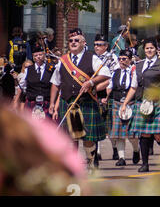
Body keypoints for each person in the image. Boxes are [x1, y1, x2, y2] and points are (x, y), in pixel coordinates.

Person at [49, 28, 111, 173]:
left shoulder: (92, 58)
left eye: (77, 40)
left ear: (84, 43)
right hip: (69, 103)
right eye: (70, 41)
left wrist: (90, 83)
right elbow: (55, 83)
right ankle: (72, 166)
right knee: (72, 137)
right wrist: (52, 103)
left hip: (86, 102)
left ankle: (90, 163)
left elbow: (105, 74)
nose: (73, 42)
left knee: (87, 138)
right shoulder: (63, 61)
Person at [120, 37, 160, 172]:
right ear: (144, 50)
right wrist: (125, 103)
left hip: (159, 102)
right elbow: (133, 87)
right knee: (144, 134)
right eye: (147, 48)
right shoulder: (138, 65)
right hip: (142, 102)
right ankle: (145, 164)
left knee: (158, 134)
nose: (149, 50)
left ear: (156, 49)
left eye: (152, 48)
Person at [102, 49, 140, 166]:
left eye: (124, 59)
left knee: (132, 135)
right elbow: (110, 86)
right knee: (118, 134)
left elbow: (135, 87)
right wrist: (106, 97)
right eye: (120, 59)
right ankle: (121, 158)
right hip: (117, 103)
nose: (121, 61)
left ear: (130, 60)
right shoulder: (115, 72)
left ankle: (136, 150)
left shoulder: (134, 71)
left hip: (131, 104)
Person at [92, 34, 120, 161]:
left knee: (110, 125)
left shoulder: (112, 58)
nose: (97, 47)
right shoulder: (92, 58)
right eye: (95, 44)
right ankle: (97, 151)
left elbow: (115, 76)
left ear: (106, 46)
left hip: (109, 93)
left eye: (100, 44)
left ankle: (115, 149)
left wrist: (108, 94)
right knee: (97, 125)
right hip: (94, 93)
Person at [14, 45, 55, 119]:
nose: (38, 57)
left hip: (46, 103)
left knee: (46, 127)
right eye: (36, 55)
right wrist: (15, 102)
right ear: (33, 57)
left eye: (40, 54)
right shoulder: (28, 70)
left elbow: (55, 87)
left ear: (44, 55)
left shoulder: (51, 69)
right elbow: (21, 87)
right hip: (31, 102)